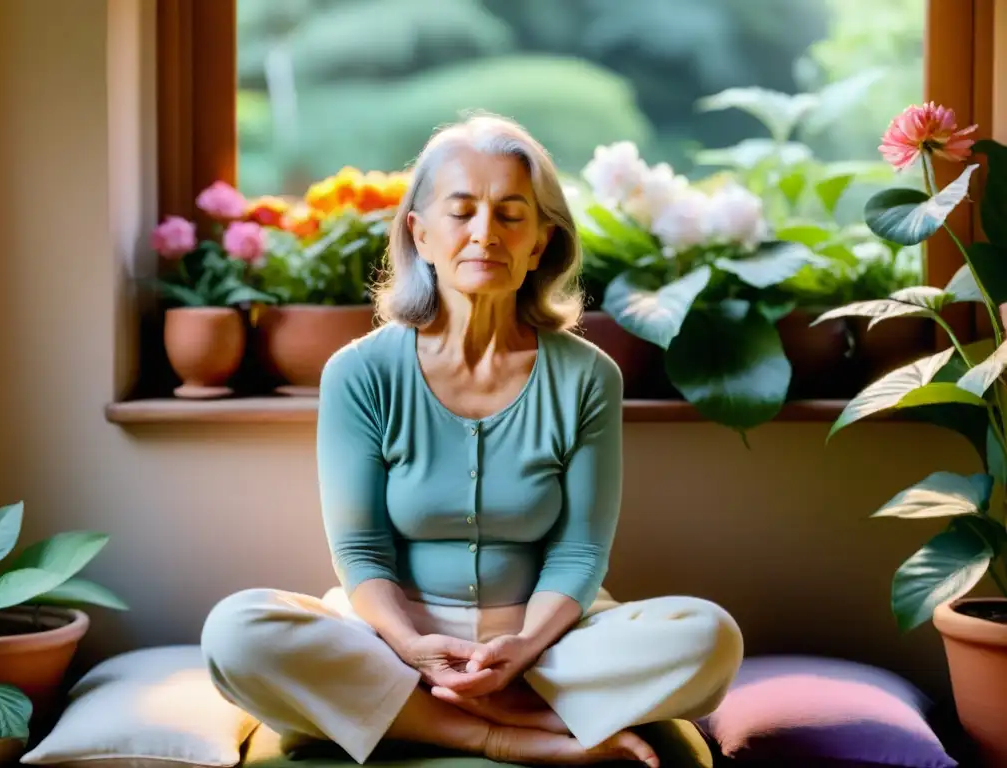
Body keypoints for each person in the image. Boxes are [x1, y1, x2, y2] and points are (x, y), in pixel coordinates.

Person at [201, 114, 743, 767]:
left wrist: (524, 647)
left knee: (710, 638)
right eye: (461, 212)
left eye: (511, 215)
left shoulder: (588, 375)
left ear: (541, 242)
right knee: (236, 632)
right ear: (420, 233)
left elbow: (579, 552)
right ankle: (500, 730)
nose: (486, 234)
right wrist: (409, 646)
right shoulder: (360, 372)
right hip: (393, 638)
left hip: (547, 645)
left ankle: (424, 708)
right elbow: (361, 551)